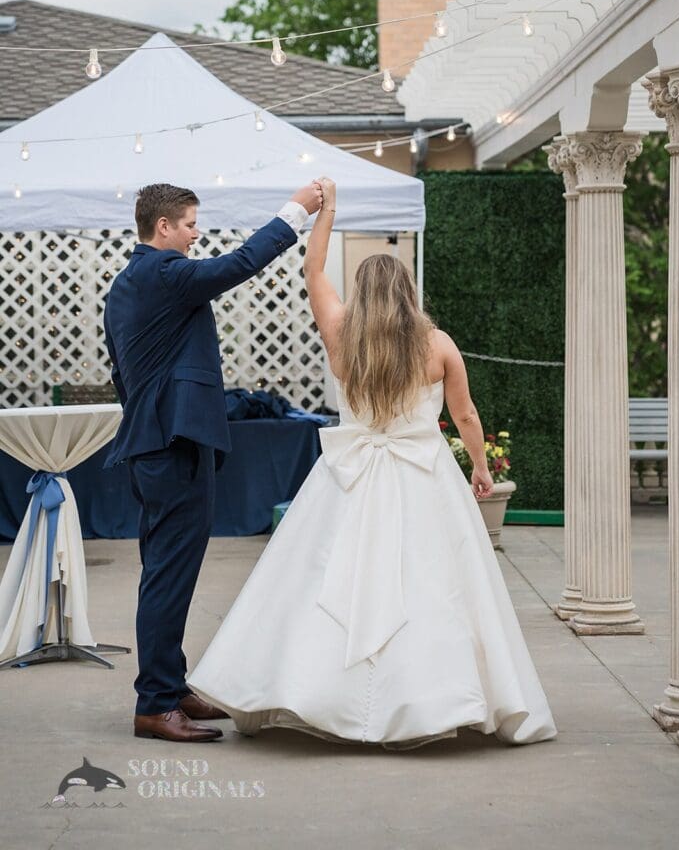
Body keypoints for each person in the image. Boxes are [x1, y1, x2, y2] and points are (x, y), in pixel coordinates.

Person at [187, 178, 558, 749]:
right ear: (409, 291)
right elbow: (465, 417)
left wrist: (327, 213)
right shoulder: (439, 345)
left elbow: (312, 273)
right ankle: (434, 701)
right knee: (432, 589)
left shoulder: (341, 333)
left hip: (347, 477)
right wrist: (480, 467)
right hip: (424, 477)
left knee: (324, 582)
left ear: (360, 291)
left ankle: (312, 692)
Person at [103, 180, 323, 743]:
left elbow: (125, 376)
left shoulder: (125, 285)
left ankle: (170, 687)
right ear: (163, 228)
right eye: (191, 223)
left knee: (166, 572)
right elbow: (241, 263)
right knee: (169, 576)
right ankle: (154, 704)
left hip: (156, 443)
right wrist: (295, 212)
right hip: (171, 448)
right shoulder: (165, 274)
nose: (197, 233)